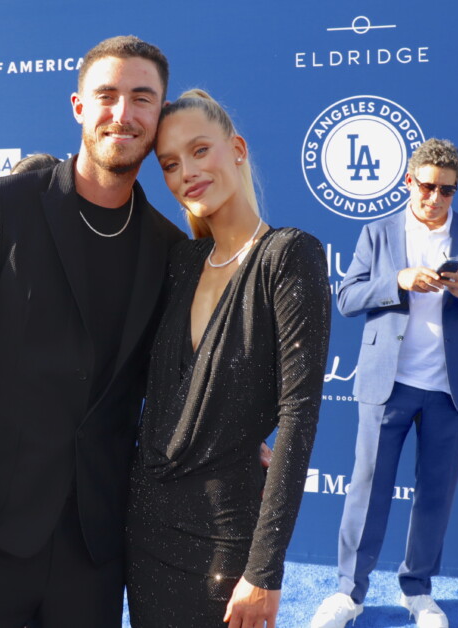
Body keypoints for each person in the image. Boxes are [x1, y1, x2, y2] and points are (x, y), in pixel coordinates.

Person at [0, 35, 185, 628]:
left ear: (159, 115)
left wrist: (243, 440)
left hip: (94, 546)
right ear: (78, 106)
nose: (123, 113)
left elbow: (175, 383)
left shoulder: (169, 248)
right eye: (106, 94)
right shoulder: (3, 206)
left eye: (143, 98)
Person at [125, 89, 331, 628]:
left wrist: (265, 571)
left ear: (236, 148)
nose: (186, 172)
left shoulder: (289, 256)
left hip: (226, 538)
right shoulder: (179, 262)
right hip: (145, 530)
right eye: (170, 164)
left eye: (199, 151)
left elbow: (300, 415)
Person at [311, 138, 458, 628]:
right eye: (427, 186)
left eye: (447, 190)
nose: (435, 198)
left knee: (435, 495)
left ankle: (419, 592)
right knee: (366, 490)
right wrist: (398, 280)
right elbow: (347, 298)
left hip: (452, 388)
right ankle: (349, 593)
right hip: (390, 383)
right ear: (409, 182)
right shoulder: (378, 233)